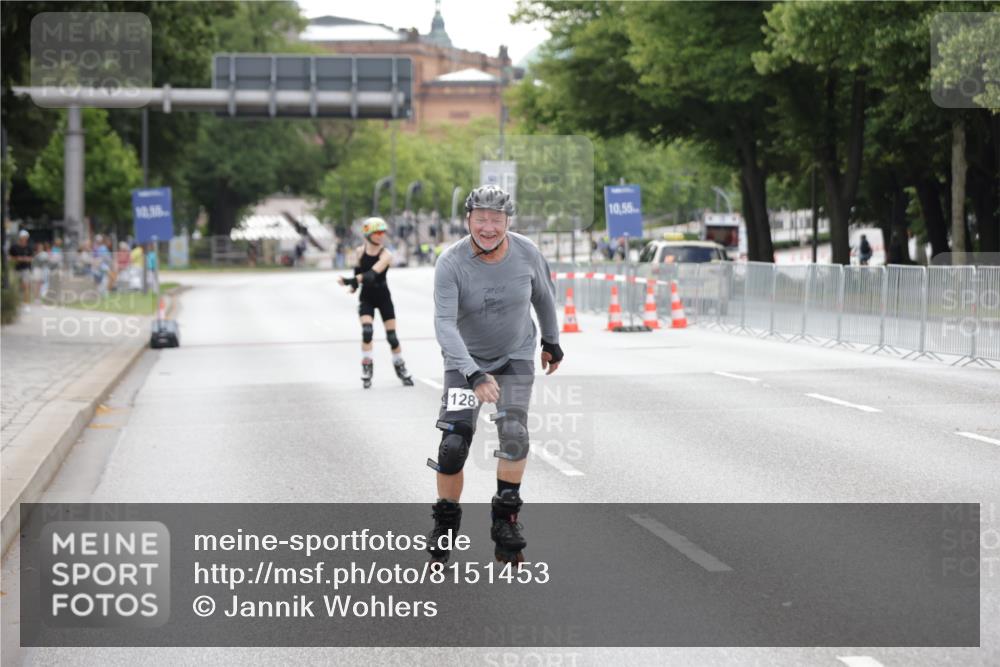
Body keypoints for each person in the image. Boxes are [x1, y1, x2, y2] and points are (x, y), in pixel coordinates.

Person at [426, 184, 564, 564]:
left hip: (515, 356)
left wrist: (551, 342)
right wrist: (472, 374)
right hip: (464, 361)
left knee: (515, 434)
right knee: (454, 445)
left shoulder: (526, 253)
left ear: (507, 221)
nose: (488, 227)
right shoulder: (451, 262)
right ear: (468, 218)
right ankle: (445, 521)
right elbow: (444, 326)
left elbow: (544, 298)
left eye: (497, 220)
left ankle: (506, 521)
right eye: (481, 218)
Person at [337, 217, 414, 389]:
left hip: (383, 296)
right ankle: (367, 366)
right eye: (377, 232)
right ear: (368, 234)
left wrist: (350, 280)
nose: (381, 236)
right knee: (367, 331)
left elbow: (371, 274)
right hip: (367, 298)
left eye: (383, 232)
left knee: (392, 337)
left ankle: (400, 365)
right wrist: (353, 287)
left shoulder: (386, 254)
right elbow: (359, 273)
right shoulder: (359, 251)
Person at [9, 230, 34, 305]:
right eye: (23, 237)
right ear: (20, 237)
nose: (24, 239)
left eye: (26, 237)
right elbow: (9, 257)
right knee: (15, 287)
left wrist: (25, 259)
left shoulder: (29, 247)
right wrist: (17, 258)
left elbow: (32, 258)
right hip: (16, 269)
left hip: (25, 269)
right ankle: (16, 303)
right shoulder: (14, 247)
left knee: (26, 286)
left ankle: (26, 303)